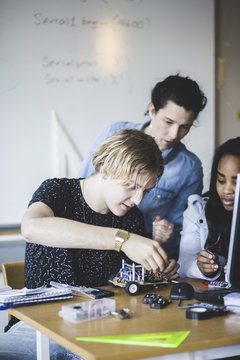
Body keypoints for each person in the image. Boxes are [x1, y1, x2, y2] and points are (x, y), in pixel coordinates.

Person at [0, 129, 179, 360]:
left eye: (146, 190)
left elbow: (123, 285)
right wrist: (122, 240)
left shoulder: (131, 218)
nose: (138, 200)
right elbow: (31, 228)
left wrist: (155, 270)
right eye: (131, 186)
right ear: (105, 170)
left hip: (96, 327)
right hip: (38, 328)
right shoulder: (58, 191)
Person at [79, 74, 207, 258]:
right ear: (152, 110)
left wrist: (164, 234)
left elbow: (183, 231)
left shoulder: (189, 168)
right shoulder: (114, 133)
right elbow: (83, 187)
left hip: (141, 255)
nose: (174, 134)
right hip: (93, 244)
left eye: (185, 127)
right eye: (169, 122)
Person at [178, 137, 240, 280]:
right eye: (221, 180)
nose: (227, 190)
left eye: (236, 183)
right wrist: (201, 268)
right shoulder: (197, 210)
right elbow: (184, 263)